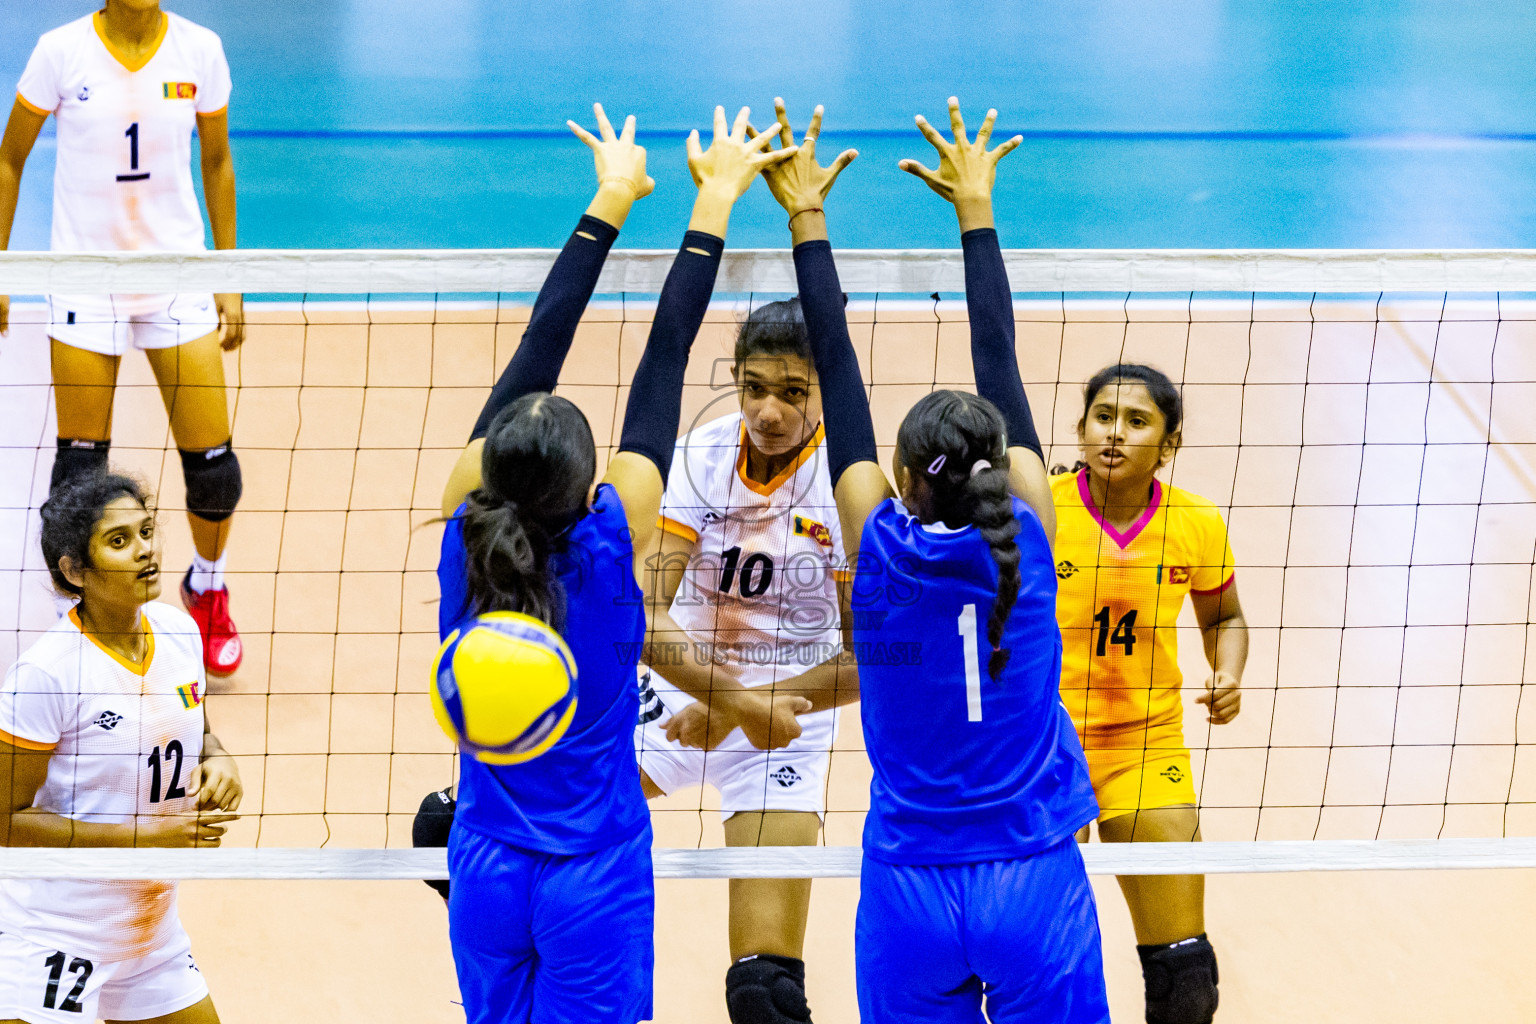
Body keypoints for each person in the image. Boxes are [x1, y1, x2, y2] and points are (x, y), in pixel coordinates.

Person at [434, 103, 802, 1024]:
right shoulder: (611, 547)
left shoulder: (461, 538)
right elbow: (665, 357)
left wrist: (609, 196)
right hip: (591, 875)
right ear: (591, 486)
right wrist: (712, 199)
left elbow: (535, 349)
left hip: (483, 860)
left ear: (491, 469)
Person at [778, 97, 1111, 1023]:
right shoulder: (1034, 533)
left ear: (895, 480)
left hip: (909, 887)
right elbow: (997, 353)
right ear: (1001, 468)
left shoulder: (874, 544)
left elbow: (835, 369)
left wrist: (807, 219)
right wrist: (976, 207)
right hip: (1031, 874)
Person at [634, 99, 857, 1024]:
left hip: (793, 721)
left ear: (820, 393)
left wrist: (763, 709)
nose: (768, 411)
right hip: (679, 694)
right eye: (753, 387)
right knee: (466, 826)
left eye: (793, 393)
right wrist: (728, 701)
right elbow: (644, 611)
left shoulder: (850, 487)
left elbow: (873, 657)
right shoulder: (701, 453)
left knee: (763, 992)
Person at [0, 0, 246, 676]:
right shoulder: (60, 51)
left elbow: (218, 161)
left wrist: (228, 275)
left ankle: (208, 582)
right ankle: (75, 613)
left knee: (215, 468)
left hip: (175, 277)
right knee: (80, 470)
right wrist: (1, 268)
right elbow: (9, 159)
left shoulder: (200, 49)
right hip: (84, 280)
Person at [0, 471, 242, 1024]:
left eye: (147, 531)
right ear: (74, 571)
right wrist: (142, 837)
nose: (146, 551)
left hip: (148, 933)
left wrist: (219, 759)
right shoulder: (45, 675)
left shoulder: (178, 632)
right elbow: (2, 822)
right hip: (54, 935)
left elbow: (197, 726)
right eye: (119, 541)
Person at [1051, 362, 1247, 1024]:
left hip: (1145, 745)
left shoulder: (1196, 522)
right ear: (1080, 429)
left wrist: (1228, 671)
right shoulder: (1038, 511)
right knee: (1037, 957)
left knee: (1186, 978)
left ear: (1169, 445)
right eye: (1104, 417)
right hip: (1043, 750)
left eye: (1138, 423)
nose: (1116, 433)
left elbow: (1224, 617)